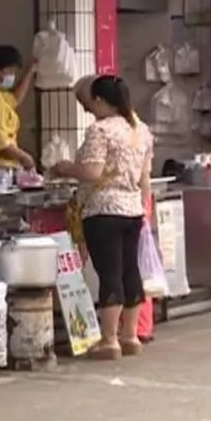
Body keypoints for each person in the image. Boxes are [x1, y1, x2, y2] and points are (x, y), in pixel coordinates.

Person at [51, 75, 154, 360]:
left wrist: (66, 168)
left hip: (103, 210)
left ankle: (109, 340)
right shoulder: (141, 130)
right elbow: (145, 178)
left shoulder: (101, 130)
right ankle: (130, 336)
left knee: (110, 273)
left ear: (99, 100)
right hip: (133, 209)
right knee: (130, 271)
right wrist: (144, 209)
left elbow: (93, 172)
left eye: (91, 102)